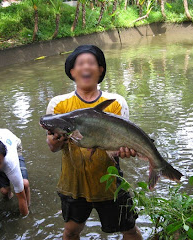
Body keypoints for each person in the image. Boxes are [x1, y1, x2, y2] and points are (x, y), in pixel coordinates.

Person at [46, 45, 143, 240]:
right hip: (74, 182)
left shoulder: (116, 102)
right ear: (72, 72)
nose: (86, 67)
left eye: (91, 63)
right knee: (71, 231)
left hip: (110, 181)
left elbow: (123, 141)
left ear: (100, 70)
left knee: (130, 230)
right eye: (80, 64)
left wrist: (124, 151)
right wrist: (58, 140)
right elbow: (52, 147)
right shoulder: (59, 104)